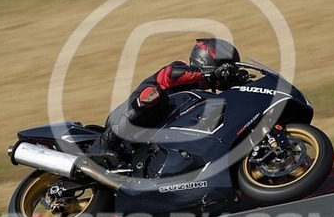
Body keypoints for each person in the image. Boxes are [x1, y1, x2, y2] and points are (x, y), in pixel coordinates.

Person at [87, 38, 241, 161]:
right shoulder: (178, 69)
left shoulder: (198, 95)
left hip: (148, 136)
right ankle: (103, 143)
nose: (226, 72)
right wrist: (211, 73)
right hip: (124, 117)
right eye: (225, 67)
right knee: (155, 95)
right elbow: (170, 74)